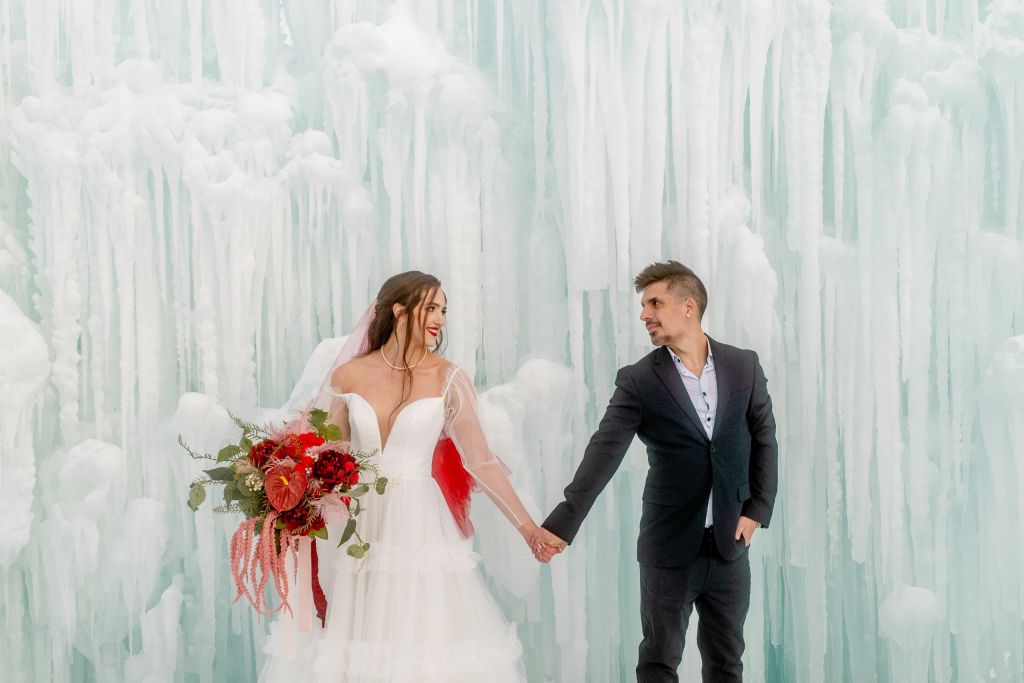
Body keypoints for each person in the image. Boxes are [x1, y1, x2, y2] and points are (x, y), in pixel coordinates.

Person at [259, 270, 538, 682]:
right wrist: (279, 486)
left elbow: (480, 461)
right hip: (359, 527)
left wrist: (529, 529)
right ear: (399, 310)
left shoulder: (449, 378)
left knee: (421, 640)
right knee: (358, 640)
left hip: (418, 525)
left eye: (444, 310)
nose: (441, 318)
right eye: (432, 308)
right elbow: (321, 453)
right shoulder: (349, 376)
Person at [533, 261, 779, 683]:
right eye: (644, 305)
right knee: (659, 662)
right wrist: (562, 522)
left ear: (688, 306)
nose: (644, 314)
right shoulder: (639, 381)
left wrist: (756, 510)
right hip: (668, 548)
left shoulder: (743, 365)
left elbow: (765, 439)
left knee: (727, 662)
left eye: (654, 303)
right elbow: (602, 454)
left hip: (730, 545)